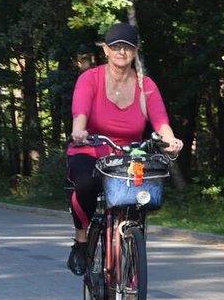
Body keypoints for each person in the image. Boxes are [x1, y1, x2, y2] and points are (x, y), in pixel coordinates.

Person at [65, 22, 184, 275]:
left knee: (140, 201)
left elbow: (161, 122)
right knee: (85, 183)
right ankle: (81, 241)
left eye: (128, 47)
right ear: (106, 50)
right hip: (91, 150)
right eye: (116, 47)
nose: (121, 52)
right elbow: (81, 111)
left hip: (129, 157)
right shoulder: (90, 79)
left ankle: (131, 270)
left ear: (135, 51)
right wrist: (79, 131)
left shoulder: (146, 85)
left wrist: (171, 142)